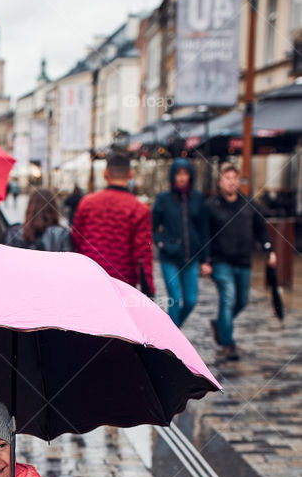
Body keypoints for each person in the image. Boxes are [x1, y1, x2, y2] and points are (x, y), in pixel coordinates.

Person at [205, 162, 277, 362]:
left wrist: (269, 250)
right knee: (227, 298)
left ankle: (221, 325)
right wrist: (205, 260)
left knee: (242, 301)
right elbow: (204, 235)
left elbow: (261, 230)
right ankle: (228, 343)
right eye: (227, 178)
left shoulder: (249, 205)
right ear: (220, 182)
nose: (231, 182)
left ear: (238, 181)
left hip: (244, 261)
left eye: (234, 178)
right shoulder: (211, 206)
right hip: (221, 261)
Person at [71, 151, 154, 293]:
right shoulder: (139, 209)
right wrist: (149, 289)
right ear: (130, 174)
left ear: (105, 174)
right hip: (122, 281)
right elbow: (142, 253)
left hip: (90, 276)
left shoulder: (87, 203)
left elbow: (76, 240)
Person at [151, 158, 210, 327]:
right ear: (173, 176)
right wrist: (163, 244)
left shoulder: (197, 198)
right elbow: (153, 228)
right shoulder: (164, 199)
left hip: (191, 258)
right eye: (178, 174)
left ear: (190, 176)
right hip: (169, 258)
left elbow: (204, 229)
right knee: (175, 299)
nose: (182, 178)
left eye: (185, 173)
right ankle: (172, 347)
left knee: (191, 300)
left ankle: (171, 333)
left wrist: (206, 259)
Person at [4, 188, 73, 252]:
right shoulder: (62, 234)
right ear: (53, 209)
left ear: (30, 208)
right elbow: (68, 262)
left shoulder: (14, 233)